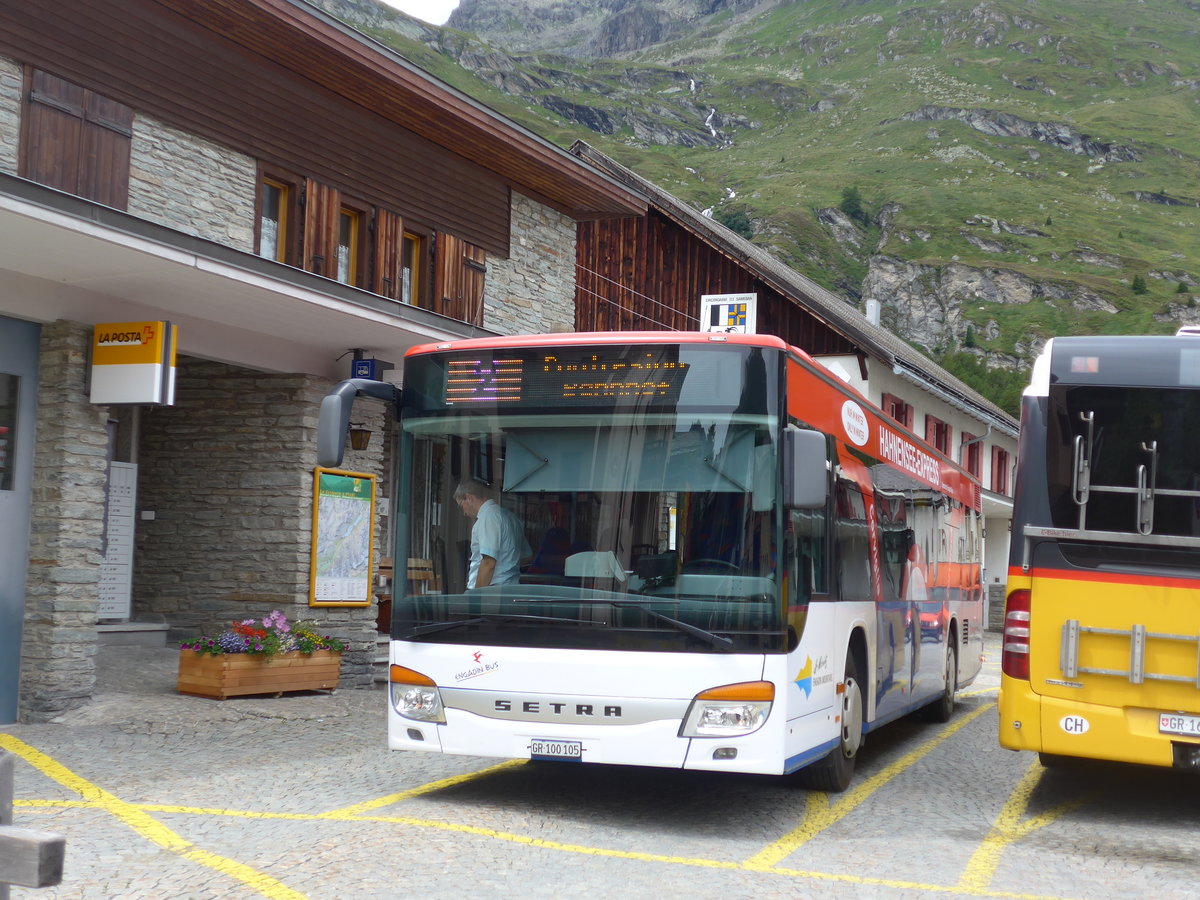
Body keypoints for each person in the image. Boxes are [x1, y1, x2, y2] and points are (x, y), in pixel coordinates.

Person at [454, 479, 531, 588]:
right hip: (511, 588)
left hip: (492, 593)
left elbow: (488, 563)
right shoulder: (511, 518)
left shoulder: (488, 517)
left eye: (461, 506)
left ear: (469, 497)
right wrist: (506, 565)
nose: (464, 513)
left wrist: (477, 598)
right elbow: (527, 556)